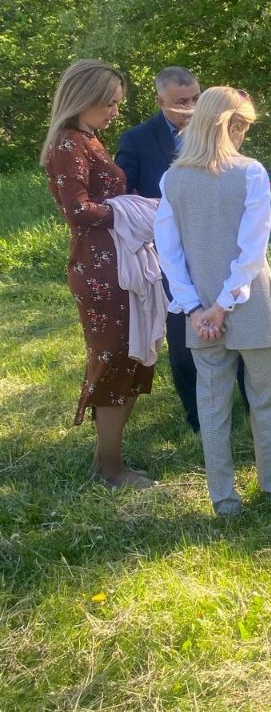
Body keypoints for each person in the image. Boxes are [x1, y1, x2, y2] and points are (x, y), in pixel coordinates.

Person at [155, 87, 271, 516]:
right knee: (265, 397)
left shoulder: (173, 179)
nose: (243, 136)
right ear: (230, 125)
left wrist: (194, 307)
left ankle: (224, 500)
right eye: (241, 127)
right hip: (248, 308)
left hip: (201, 312)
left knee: (212, 405)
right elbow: (252, 250)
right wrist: (221, 305)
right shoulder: (249, 173)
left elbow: (168, 253)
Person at [42, 60, 156, 489]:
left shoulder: (90, 139)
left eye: (117, 104)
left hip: (116, 263)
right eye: (108, 103)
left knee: (127, 357)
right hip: (100, 269)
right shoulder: (69, 143)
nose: (114, 111)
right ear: (83, 97)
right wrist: (136, 209)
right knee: (112, 361)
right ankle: (112, 470)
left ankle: (105, 461)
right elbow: (77, 209)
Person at [116, 66, 246, 432]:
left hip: (221, 245)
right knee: (184, 338)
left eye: (195, 99)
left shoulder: (220, 129)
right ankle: (199, 418)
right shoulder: (137, 139)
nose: (190, 108)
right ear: (160, 101)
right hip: (169, 254)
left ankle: (255, 407)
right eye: (180, 102)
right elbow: (126, 196)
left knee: (239, 325)